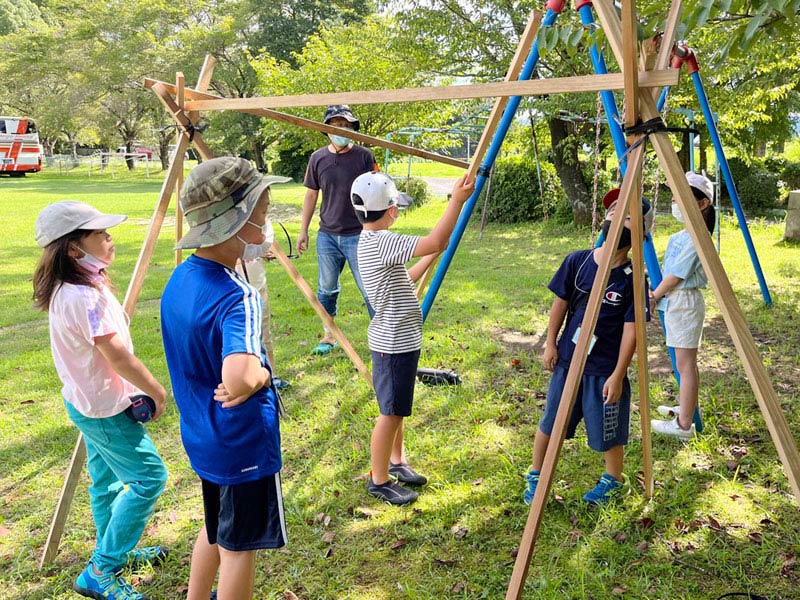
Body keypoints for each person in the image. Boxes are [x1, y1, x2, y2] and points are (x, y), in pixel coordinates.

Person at [160, 157, 290, 600]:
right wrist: (261, 375)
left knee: (215, 529)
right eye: (263, 214)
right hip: (241, 445)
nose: (266, 224)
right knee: (239, 549)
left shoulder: (180, 278)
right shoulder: (240, 296)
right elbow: (238, 378)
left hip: (202, 436)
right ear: (236, 222)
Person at [33, 201, 168, 600]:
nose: (110, 238)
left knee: (106, 482)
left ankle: (115, 550)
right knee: (149, 479)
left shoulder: (71, 285)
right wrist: (156, 391)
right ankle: (103, 568)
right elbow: (119, 358)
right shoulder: (83, 296)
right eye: (100, 233)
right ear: (74, 249)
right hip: (106, 408)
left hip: (86, 402)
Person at [354, 171, 475, 505]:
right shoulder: (382, 241)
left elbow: (405, 276)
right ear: (391, 210)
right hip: (393, 344)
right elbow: (435, 239)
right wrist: (456, 201)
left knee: (398, 407)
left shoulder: (370, 242)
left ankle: (397, 461)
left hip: (398, 341)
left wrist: (430, 256)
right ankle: (379, 480)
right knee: (390, 412)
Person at [523, 189, 651, 506]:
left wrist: (618, 375)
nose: (616, 215)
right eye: (612, 210)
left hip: (604, 370)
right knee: (552, 422)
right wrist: (550, 344)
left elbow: (631, 331)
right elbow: (560, 306)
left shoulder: (633, 279)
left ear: (642, 231)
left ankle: (613, 481)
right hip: (568, 364)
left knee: (609, 430)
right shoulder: (578, 262)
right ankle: (536, 476)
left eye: (627, 214)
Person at [298, 104, 378, 355]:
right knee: (327, 288)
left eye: (345, 126)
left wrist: (377, 228)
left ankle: (381, 335)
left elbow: (377, 189)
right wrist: (303, 231)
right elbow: (311, 196)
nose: (340, 130)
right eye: (334, 126)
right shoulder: (317, 158)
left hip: (358, 234)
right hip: (327, 235)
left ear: (353, 128)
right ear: (326, 130)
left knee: (370, 286)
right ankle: (328, 335)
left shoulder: (364, 156)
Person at [650, 171, 716, 441]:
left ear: (702, 204)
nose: (675, 202)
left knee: (686, 364)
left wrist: (654, 296)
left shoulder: (697, 237)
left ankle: (684, 424)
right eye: (675, 197)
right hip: (675, 301)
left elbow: (676, 275)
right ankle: (685, 408)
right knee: (681, 362)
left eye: (682, 198)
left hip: (684, 302)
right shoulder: (683, 234)